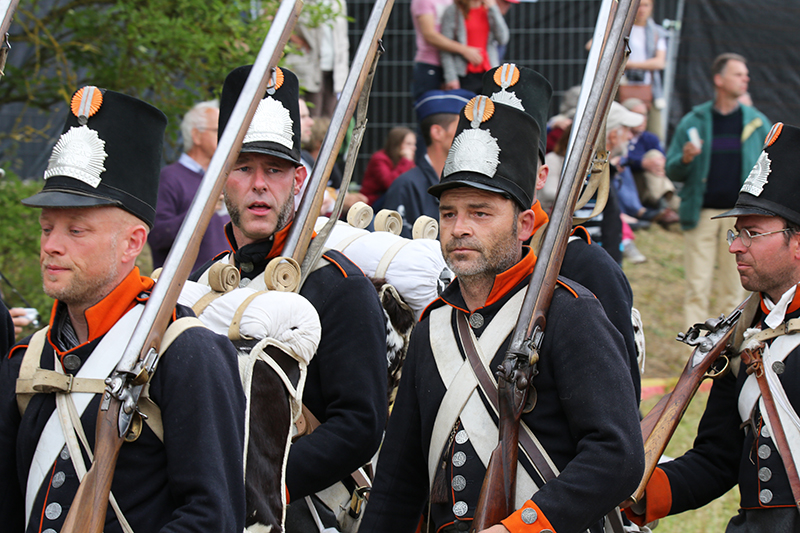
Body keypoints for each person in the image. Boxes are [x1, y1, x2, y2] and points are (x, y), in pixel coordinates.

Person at [361, 92, 643, 533]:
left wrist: (524, 527)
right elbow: (398, 480)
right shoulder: (435, 322)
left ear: (525, 224)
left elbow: (618, 454)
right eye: (449, 212)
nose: (460, 228)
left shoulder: (571, 314)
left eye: (481, 212)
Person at [0, 87, 246, 532]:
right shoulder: (28, 360)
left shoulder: (187, 353)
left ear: (133, 243)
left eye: (76, 230)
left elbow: (212, 518)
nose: (51, 247)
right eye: (46, 228)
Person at [190, 65, 388, 532]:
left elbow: (359, 425)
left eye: (274, 170)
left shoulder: (340, 285)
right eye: (243, 167)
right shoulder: (202, 283)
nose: (259, 183)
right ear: (222, 178)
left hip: (301, 508)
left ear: (298, 179)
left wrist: (258, 486)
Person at [627, 122, 800, 532]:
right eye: (737, 232)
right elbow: (717, 459)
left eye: (753, 233)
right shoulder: (744, 338)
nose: (735, 246)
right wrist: (630, 496)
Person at [482, 63, 641, 402]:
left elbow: (619, 403)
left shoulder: (584, 265)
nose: (494, 179)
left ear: (541, 176)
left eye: (511, 163)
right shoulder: (461, 259)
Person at [666, 53, 771, 328]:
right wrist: (686, 158)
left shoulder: (757, 122)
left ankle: (728, 351)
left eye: (746, 75)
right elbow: (672, 170)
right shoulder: (693, 120)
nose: (745, 79)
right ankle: (693, 355)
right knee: (696, 287)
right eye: (738, 74)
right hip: (700, 215)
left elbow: (771, 167)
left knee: (735, 288)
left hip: (741, 220)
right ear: (719, 80)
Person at [148, 100, 231, 271]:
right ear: (196, 135)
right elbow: (157, 237)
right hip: (185, 289)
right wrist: (201, 210)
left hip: (225, 283)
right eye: (217, 130)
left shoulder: (226, 177)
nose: (225, 136)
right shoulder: (170, 178)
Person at [383, 89, 474, 238]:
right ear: (437, 132)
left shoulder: (471, 182)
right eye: (464, 127)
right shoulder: (406, 186)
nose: (472, 135)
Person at [284, 0, 350, 118]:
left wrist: (344, 70)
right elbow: (273, 15)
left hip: (334, 69)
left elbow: (343, 37)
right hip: (307, 66)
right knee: (312, 117)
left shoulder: (338, 2)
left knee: (329, 120)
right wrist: (295, 39)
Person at [410, 0, 484, 99]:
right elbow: (429, 35)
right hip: (431, 65)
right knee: (431, 110)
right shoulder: (423, 1)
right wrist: (464, 50)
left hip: (453, 68)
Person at [619, 0, 668, 138]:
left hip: (649, 90)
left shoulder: (657, 32)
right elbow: (591, 45)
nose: (642, 9)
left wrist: (627, 64)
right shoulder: (621, 29)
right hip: (623, 87)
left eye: (646, 5)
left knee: (655, 134)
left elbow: (659, 63)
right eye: (638, 5)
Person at [439, 0, 509, 93]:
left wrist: (494, 8)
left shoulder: (489, 10)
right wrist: (451, 77)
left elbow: (503, 39)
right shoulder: (454, 10)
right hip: (464, 76)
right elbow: (445, 47)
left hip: (489, 73)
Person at [622, 97, 678, 213]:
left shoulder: (649, 138)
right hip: (629, 186)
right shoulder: (621, 135)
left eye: (645, 115)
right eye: (638, 115)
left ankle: (661, 202)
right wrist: (642, 163)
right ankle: (667, 202)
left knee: (655, 156)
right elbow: (622, 159)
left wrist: (656, 164)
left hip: (648, 184)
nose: (642, 119)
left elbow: (662, 161)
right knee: (652, 156)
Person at [360, 127, 417, 206]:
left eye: (414, 144)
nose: (413, 148)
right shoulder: (379, 158)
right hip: (373, 203)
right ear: (396, 144)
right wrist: (406, 161)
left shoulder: (405, 161)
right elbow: (391, 184)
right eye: (408, 144)